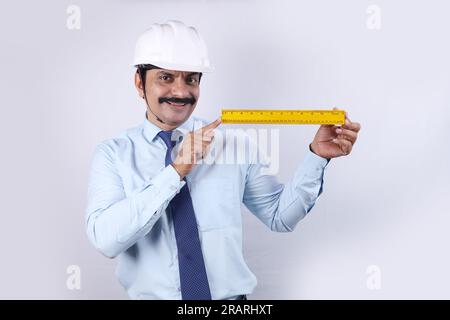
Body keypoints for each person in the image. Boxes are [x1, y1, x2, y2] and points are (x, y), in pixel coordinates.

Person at [85, 20, 361, 300]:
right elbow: (106, 240)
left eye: (191, 78)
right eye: (166, 77)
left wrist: (316, 157)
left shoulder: (235, 144)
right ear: (139, 82)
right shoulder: (112, 154)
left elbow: (280, 217)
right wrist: (176, 171)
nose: (181, 92)